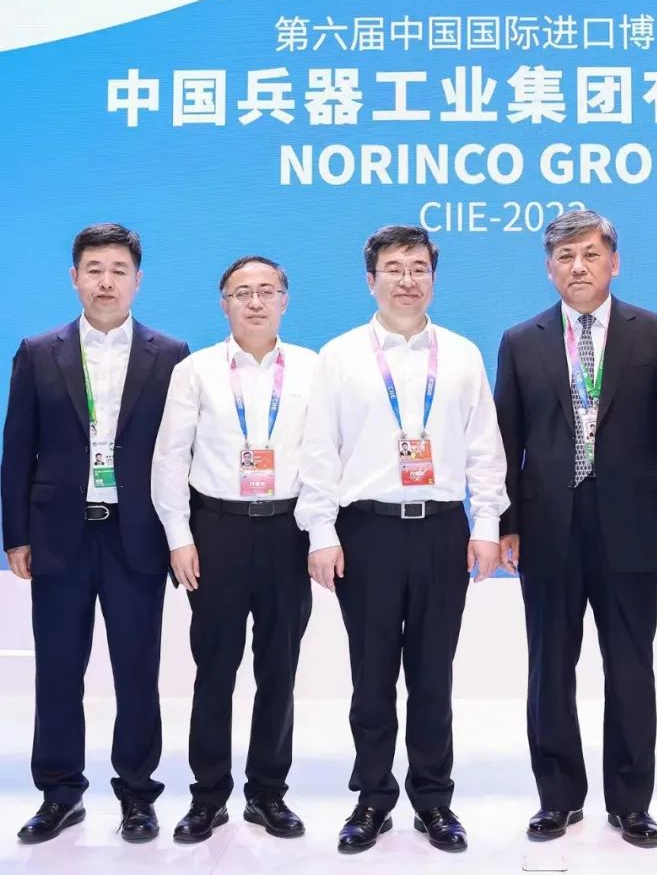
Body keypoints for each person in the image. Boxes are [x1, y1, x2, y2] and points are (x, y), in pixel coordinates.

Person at [297, 225, 508, 854]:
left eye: (419, 268)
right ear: (371, 280)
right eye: (394, 268)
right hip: (366, 532)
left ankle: (434, 799)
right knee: (371, 674)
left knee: (433, 674)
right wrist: (321, 532)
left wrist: (487, 526)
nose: (407, 280)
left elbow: (485, 449)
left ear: (433, 278)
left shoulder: (462, 355)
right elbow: (319, 452)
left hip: (443, 530)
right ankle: (372, 797)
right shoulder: (339, 356)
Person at [494, 210, 657, 848]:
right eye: (565, 257)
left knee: (631, 668)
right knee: (549, 668)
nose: (577, 267)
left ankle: (632, 803)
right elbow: (505, 443)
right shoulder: (520, 340)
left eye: (589, 254)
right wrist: (507, 525)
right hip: (547, 528)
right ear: (548, 268)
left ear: (614, 261)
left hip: (633, 526)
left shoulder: (655, 334)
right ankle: (557, 798)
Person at [1, 224, 189, 843]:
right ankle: (60, 794)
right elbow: (17, 448)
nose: (106, 281)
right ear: (74, 277)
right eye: (94, 269)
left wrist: (180, 534)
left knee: (137, 670)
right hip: (60, 536)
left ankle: (137, 794)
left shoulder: (171, 354)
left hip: (137, 536)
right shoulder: (38, 351)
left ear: (138, 280)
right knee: (58, 670)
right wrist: (16, 535)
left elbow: (180, 453)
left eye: (118, 270)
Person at [151, 256, 316, 843]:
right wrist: (179, 538)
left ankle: (268, 793)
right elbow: (170, 458)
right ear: (224, 304)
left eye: (266, 290)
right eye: (241, 292)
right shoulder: (195, 370)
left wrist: (320, 534)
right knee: (214, 668)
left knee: (279, 669)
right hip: (215, 531)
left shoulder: (312, 368)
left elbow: (326, 456)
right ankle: (208, 795)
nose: (255, 302)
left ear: (285, 300)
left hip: (288, 531)